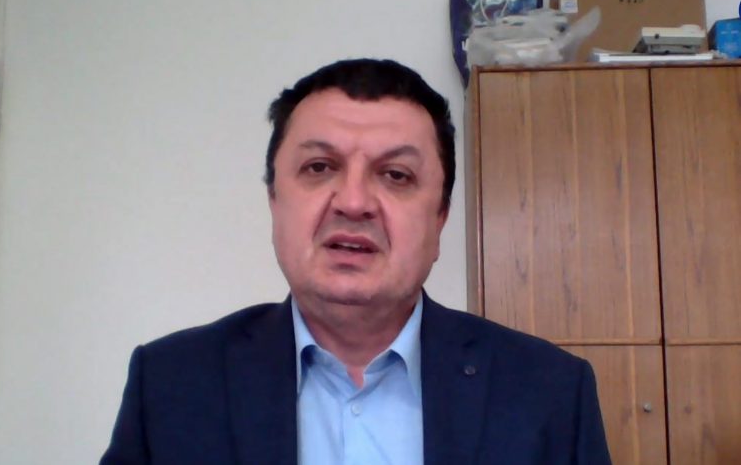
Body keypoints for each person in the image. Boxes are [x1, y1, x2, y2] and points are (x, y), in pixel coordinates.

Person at [100, 58, 611, 465]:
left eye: (396, 175)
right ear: (275, 201)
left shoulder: (550, 391)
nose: (353, 202)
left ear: (440, 218)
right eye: (319, 167)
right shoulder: (170, 383)